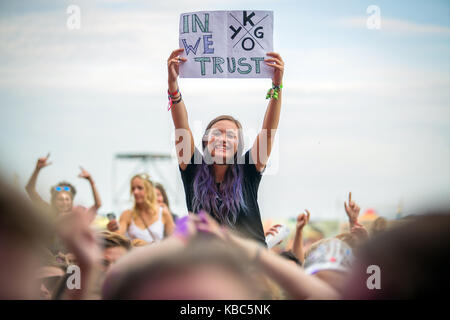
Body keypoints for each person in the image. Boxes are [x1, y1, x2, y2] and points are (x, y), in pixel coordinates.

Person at [167, 48, 284, 245]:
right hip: (208, 266)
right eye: (217, 133)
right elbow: (181, 125)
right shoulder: (192, 168)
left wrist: (277, 86)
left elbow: (268, 131)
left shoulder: (248, 169)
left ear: (239, 146)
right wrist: (172, 84)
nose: (224, 139)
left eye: (231, 135)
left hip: (249, 267)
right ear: (205, 141)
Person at [25, 153, 102, 222]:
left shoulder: (78, 217)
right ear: (54, 201)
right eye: (60, 199)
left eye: (67, 199)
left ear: (71, 201)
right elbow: (30, 189)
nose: (64, 202)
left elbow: (97, 205)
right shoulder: (48, 212)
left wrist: (91, 181)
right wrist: (37, 170)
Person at [107, 174, 175, 243]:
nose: (135, 192)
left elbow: (173, 242)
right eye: (133, 189)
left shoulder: (163, 212)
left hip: (157, 253)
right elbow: (118, 238)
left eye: (140, 188)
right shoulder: (127, 214)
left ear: (149, 190)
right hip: (135, 253)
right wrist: (112, 231)